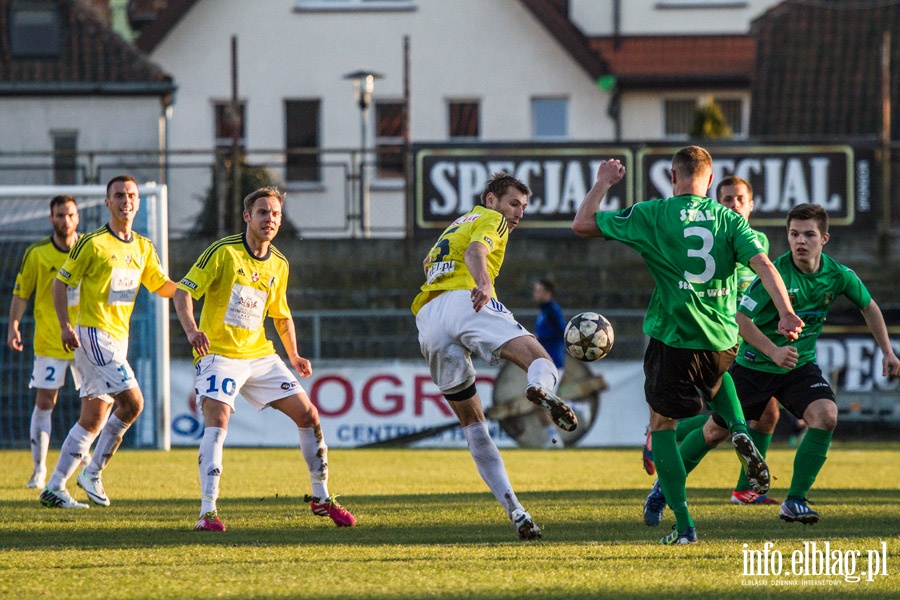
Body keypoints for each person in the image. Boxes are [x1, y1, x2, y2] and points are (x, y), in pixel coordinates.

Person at [572, 146, 804, 545]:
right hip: (721, 340)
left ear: (671, 175)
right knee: (719, 382)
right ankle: (736, 427)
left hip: (675, 339)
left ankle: (684, 525)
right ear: (711, 182)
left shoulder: (653, 213)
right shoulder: (731, 220)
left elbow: (582, 224)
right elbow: (765, 265)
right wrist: (785, 312)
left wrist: (603, 183)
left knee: (662, 426)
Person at [675, 203, 899, 525]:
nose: (800, 241)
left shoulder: (837, 275)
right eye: (794, 234)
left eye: (809, 234)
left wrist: (888, 352)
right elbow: (739, 319)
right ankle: (665, 486)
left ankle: (795, 501)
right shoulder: (774, 274)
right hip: (753, 365)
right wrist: (773, 352)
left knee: (826, 416)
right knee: (713, 432)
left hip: (798, 366)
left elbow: (869, 307)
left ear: (825, 238)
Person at [174, 186, 356, 532]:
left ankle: (321, 497)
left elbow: (280, 315)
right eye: (262, 212)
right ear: (247, 216)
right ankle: (207, 512)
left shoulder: (279, 263)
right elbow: (184, 292)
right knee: (219, 417)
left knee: (309, 414)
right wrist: (192, 331)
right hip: (220, 355)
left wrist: (294, 354)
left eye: (274, 214)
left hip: (260, 355)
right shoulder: (223, 252)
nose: (269, 219)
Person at [412, 172, 577, 540]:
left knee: (475, 426)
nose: (517, 213)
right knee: (542, 361)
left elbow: (427, 263)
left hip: (429, 318)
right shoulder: (493, 220)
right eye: (513, 203)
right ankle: (538, 388)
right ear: (491, 200)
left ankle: (516, 510)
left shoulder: (457, 223)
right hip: (466, 300)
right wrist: (483, 283)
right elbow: (475, 252)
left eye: (523, 206)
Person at [641, 176, 783, 505]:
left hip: (751, 340)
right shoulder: (717, 236)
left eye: (739, 198)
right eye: (727, 199)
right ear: (716, 203)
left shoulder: (757, 240)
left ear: (751, 204)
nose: (733, 204)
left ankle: (740, 488)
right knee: (722, 423)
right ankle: (667, 470)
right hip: (722, 338)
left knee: (764, 414)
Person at [39, 175, 177, 509]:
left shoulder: (143, 247)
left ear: (138, 202)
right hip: (93, 334)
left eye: (131, 195)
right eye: (119, 195)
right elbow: (60, 284)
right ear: (107, 203)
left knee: (94, 417)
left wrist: (198, 285)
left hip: (118, 339)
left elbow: (162, 287)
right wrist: (64, 325)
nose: (126, 200)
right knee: (133, 403)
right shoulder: (93, 243)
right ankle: (93, 472)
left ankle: (55, 486)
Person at [8, 195, 86, 489]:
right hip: (49, 341)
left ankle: (84, 460)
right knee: (45, 403)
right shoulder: (37, 253)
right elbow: (21, 292)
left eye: (70, 215)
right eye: (59, 215)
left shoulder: (89, 249)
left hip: (85, 340)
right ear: (50, 218)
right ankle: (39, 470)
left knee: (94, 405)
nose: (65, 220)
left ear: (77, 217)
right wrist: (13, 326)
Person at [532, 278, 567, 447]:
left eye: (539, 291)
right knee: (540, 402)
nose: (535, 295)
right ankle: (554, 439)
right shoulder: (545, 311)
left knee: (540, 402)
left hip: (552, 362)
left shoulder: (552, 310)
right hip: (546, 361)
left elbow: (562, 332)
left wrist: (541, 339)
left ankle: (555, 440)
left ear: (548, 294)